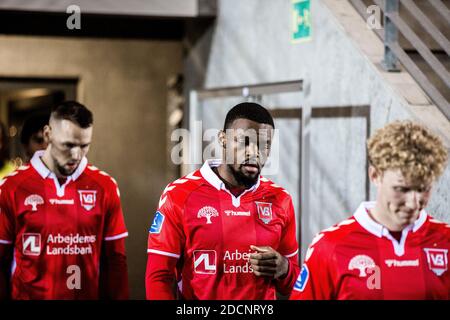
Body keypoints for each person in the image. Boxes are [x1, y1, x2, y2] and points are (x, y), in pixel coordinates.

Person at [146, 102, 300, 300]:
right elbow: (159, 276)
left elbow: (296, 285)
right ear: (223, 139)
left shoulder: (281, 200)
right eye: (245, 141)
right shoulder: (179, 195)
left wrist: (284, 269)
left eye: (264, 145)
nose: (254, 152)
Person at [290, 121, 449, 300]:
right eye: (401, 189)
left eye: (423, 189)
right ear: (375, 176)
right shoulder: (329, 246)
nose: (413, 203)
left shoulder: (446, 240)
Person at [0, 101, 129, 300]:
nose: (76, 155)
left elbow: (115, 262)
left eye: (84, 146)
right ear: (48, 134)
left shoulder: (105, 186)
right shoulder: (11, 187)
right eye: (68, 145)